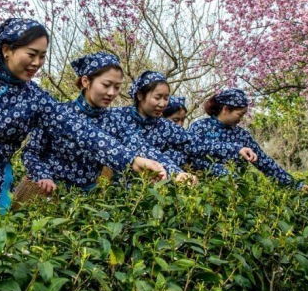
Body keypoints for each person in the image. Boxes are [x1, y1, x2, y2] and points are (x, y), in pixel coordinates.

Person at [0, 19, 167, 212]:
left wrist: (132, 160)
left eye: (42, 56)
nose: (37, 62)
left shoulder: (35, 97)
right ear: (7, 50)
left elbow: (80, 130)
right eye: (31, 54)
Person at [23, 52, 194, 192]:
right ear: (86, 81)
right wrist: (42, 175)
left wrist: (176, 172)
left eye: (117, 87)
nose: (112, 93)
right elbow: (31, 152)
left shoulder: (114, 120)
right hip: (47, 192)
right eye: (106, 85)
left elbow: (140, 147)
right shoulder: (58, 113)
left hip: (86, 198)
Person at [112, 71, 259, 173]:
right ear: (139, 95)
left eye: (166, 98)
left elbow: (196, 144)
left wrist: (235, 149)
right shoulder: (116, 117)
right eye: (157, 97)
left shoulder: (165, 126)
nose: (163, 104)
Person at [189, 89, 308, 190]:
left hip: (236, 192)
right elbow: (191, 155)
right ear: (225, 109)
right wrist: (224, 175)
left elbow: (265, 162)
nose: (241, 119)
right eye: (239, 114)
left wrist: (295, 185)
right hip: (203, 189)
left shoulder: (242, 135)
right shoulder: (199, 128)